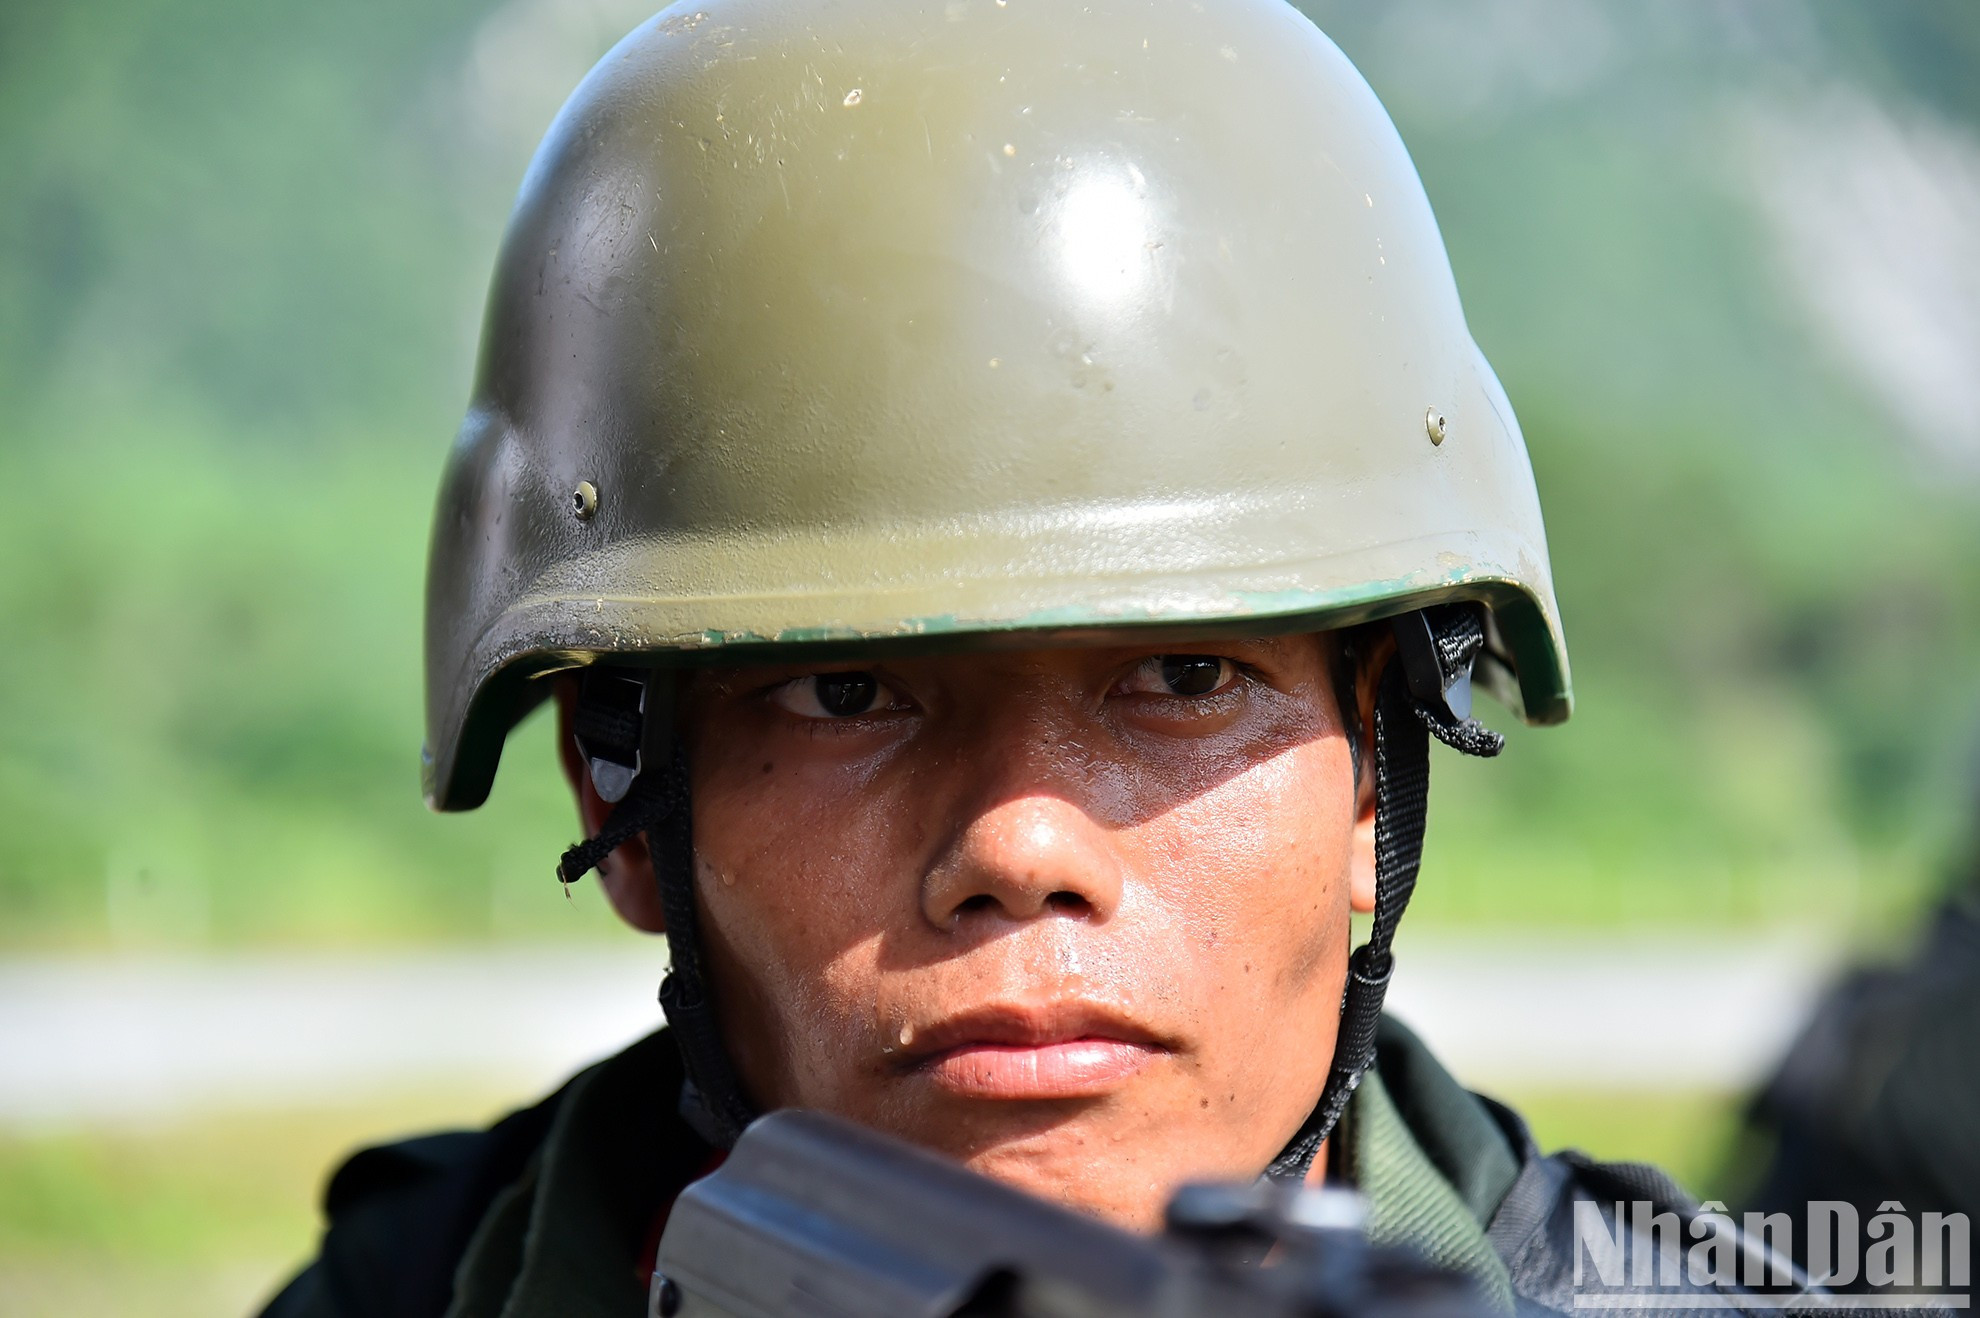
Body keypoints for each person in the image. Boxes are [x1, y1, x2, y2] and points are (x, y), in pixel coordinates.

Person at [261, 1, 1790, 1313]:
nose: (1022, 842)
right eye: (846, 689)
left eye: (1188, 677)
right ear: (622, 798)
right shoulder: (410, 1286)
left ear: (1375, 782)